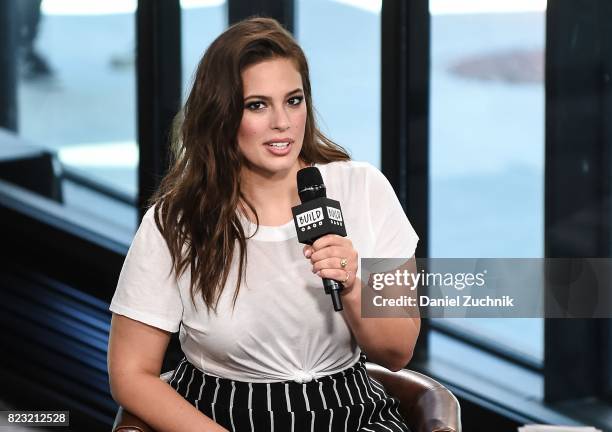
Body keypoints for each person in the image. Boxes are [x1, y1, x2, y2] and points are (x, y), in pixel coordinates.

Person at [107, 17, 420, 432]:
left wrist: (350, 286)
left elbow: (397, 353)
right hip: (221, 415)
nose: (283, 122)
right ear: (221, 114)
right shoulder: (175, 222)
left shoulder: (363, 188)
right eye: (257, 105)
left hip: (351, 412)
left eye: (293, 100)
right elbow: (130, 374)